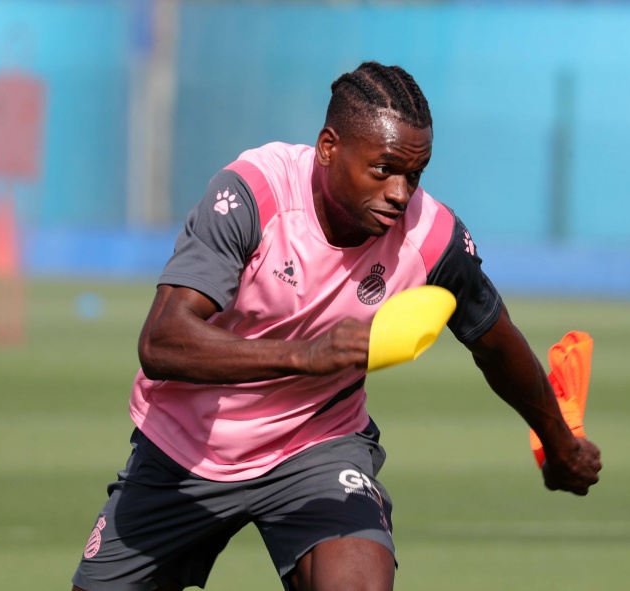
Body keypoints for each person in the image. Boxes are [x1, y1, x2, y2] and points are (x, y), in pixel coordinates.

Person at [71, 61, 601, 591]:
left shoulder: (433, 238)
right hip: (185, 452)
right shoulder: (253, 194)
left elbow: (496, 343)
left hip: (317, 445)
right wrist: (306, 355)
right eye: (384, 168)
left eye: (414, 175)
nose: (400, 192)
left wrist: (560, 445)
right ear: (329, 147)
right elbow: (162, 340)